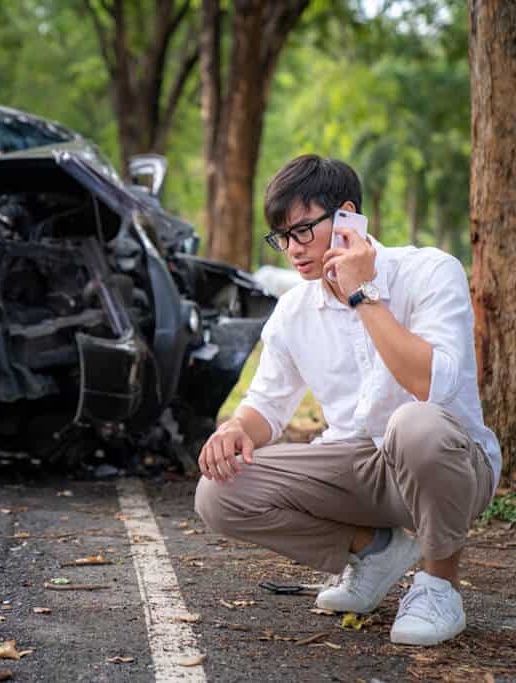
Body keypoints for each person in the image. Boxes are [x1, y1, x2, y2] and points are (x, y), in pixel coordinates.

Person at [194, 154, 501, 647]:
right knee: (220, 490)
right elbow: (267, 406)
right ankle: (373, 551)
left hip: (451, 464)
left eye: (302, 231)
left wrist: (362, 294)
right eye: (281, 237)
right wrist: (234, 431)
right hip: (360, 467)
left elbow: (432, 387)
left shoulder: (429, 272)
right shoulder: (295, 308)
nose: (291, 250)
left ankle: (440, 584)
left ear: (346, 218)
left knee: (414, 424)